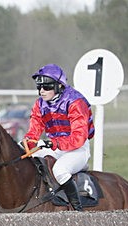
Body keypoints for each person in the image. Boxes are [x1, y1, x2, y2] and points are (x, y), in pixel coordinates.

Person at [23, 63, 94, 212]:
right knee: (28, 161)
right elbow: (33, 131)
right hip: (54, 147)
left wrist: (52, 143)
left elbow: (78, 138)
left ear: (59, 86)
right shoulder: (39, 104)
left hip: (78, 149)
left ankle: (78, 211)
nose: (42, 91)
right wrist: (26, 144)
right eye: (39, 87)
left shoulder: (76, 102)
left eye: (47, 87)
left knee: (60, 170)